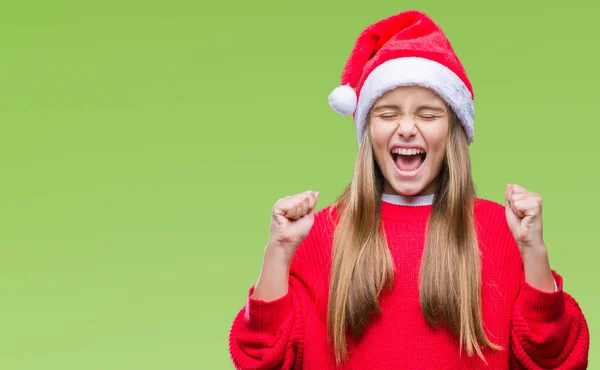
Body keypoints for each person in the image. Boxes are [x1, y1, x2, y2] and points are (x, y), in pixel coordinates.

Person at [227, 10, 590, 370]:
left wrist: (533, 252)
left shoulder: (502, 230)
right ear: (368, 131)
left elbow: (556, 358)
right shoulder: (321, 234)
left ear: (453, 131)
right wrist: (277, 251)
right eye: (387, 114)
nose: (406, 129)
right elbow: (260, 359)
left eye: (428, 115)